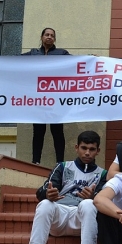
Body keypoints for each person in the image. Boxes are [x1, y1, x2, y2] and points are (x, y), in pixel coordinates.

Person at [13, 131, 107, 244]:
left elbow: (105, 200)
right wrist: (47, 194)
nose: (87, 153)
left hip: (83, 220)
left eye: (92, 149)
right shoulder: (63, 167)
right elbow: (42, 191)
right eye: (84, 148)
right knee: (44, 204)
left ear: (98, 151)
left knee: (89, 204)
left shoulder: (103, 174)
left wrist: (94, 196)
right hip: (60, 217)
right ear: (76, 148)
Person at [22, 27, 70, 165]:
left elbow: (78, 62)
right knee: (38, 131)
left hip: (55, 100)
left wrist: (92, 59)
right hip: (38, 100)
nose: (49, 37)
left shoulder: (62, 54)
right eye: (47, 35)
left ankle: (60, 162)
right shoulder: (32, 54)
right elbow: (13, 62)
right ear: (42, 37)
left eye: (52, 35)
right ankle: (35, 161)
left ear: (54, 39)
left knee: (57, 131)